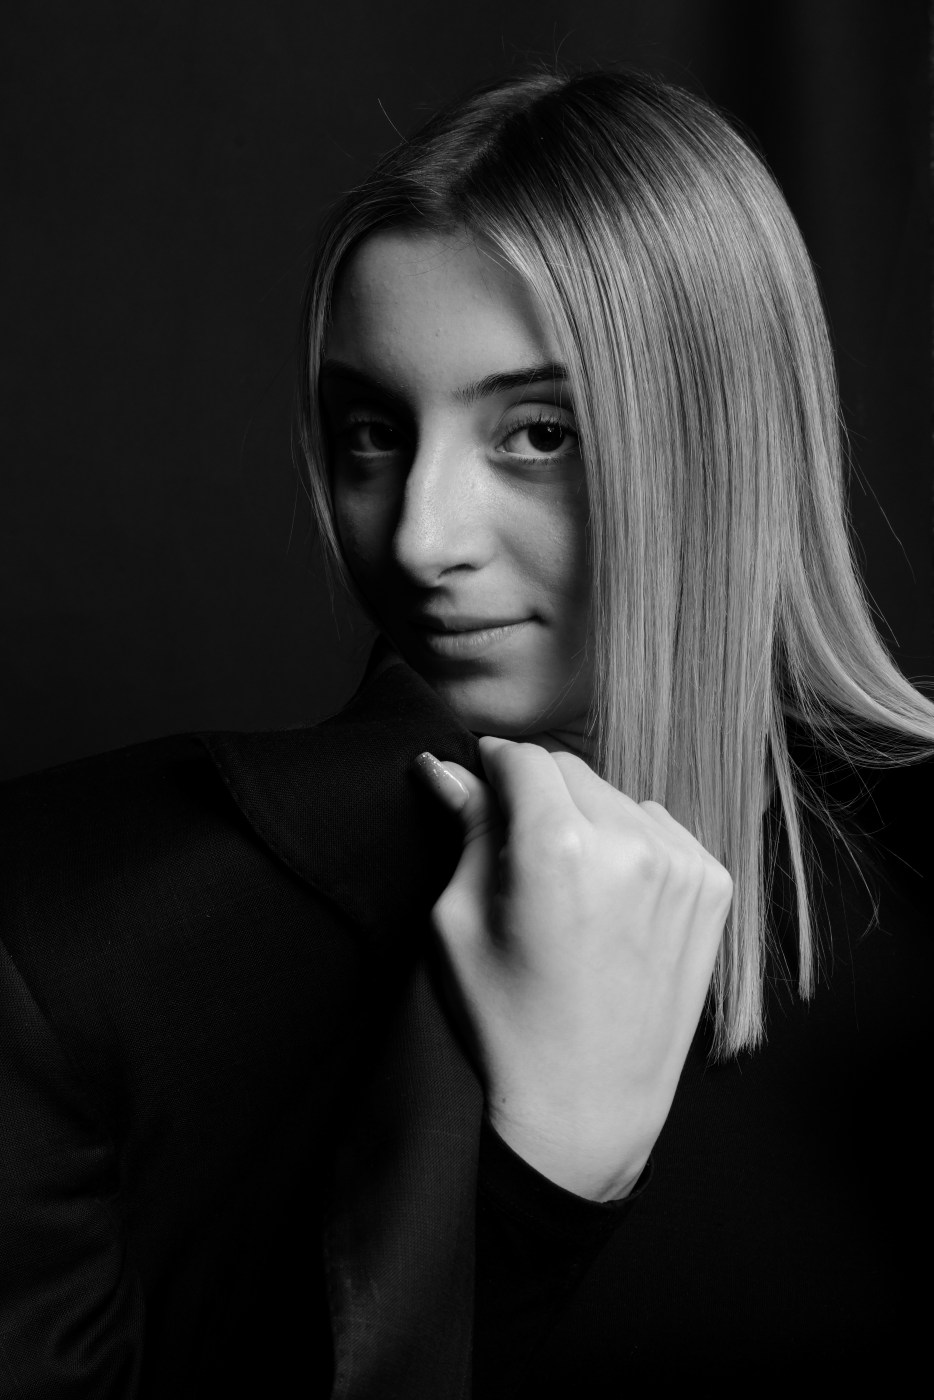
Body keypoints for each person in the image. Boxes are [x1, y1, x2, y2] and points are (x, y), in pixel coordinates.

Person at [0, 66, 930, 1397]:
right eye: (372, 433)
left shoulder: (911, 876)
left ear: (719, 445)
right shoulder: (81, 939)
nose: (421, 538)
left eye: (536, 433)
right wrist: (539, 1182)